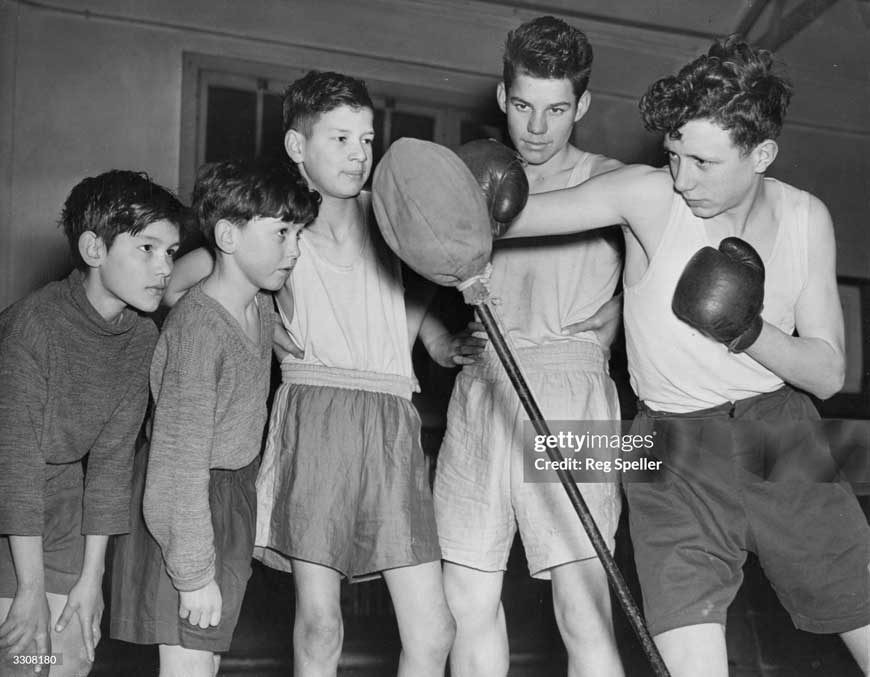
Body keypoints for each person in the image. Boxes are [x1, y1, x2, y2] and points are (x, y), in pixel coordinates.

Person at [500, 36, 870, 677]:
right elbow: (511, 217)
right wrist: (435, 195)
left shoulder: (806, 218)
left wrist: (749, 332)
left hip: (783, 433)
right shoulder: (647, 196)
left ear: (761, 154)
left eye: (703, 162)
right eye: (674, 156)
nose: (683, 178)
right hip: (667, 446)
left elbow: (831, 373)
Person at [165, 71, 456, 677]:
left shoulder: (393, 215)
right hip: (316, 413)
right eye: (341, 139)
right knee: (322, 624)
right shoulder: (276, 224)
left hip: (391, 418)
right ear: (298, 148)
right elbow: (176, 284)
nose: (359, 154)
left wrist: (425, 334)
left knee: (434, 629)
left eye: (367, 139)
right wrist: (262, 325)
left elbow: (430, 273)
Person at [431, 16, 625, 677]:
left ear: (583, 105)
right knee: (467, 602)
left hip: (573, 391)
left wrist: (616, 319)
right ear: (500, 95)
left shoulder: (616, 181)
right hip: (483, 387)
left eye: (556, 109)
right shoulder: (467, 179)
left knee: (584, 610)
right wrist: (437, 336)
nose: (537, 127)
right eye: (522, 106)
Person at [109, 158, 319, 677]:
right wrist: (193, 573)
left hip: (227, 503)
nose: (294, 250)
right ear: (227, 236)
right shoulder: (197, 333)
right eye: (281, 234)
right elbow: (177, 466)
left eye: (297, 234)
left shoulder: (259, 306)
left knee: (206, 665)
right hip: (186, 510)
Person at [0, 171, 185, 676]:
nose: (164, 267)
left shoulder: (141, 338)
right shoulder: (32, 327)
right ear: (93, 248)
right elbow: (14, 469)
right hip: (10, 507)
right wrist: (31, 589)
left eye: (170, 252)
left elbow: (109, 465)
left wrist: (91, 578)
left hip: (61, 506)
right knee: (23, 660)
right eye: (147, 248)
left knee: (67, 658)